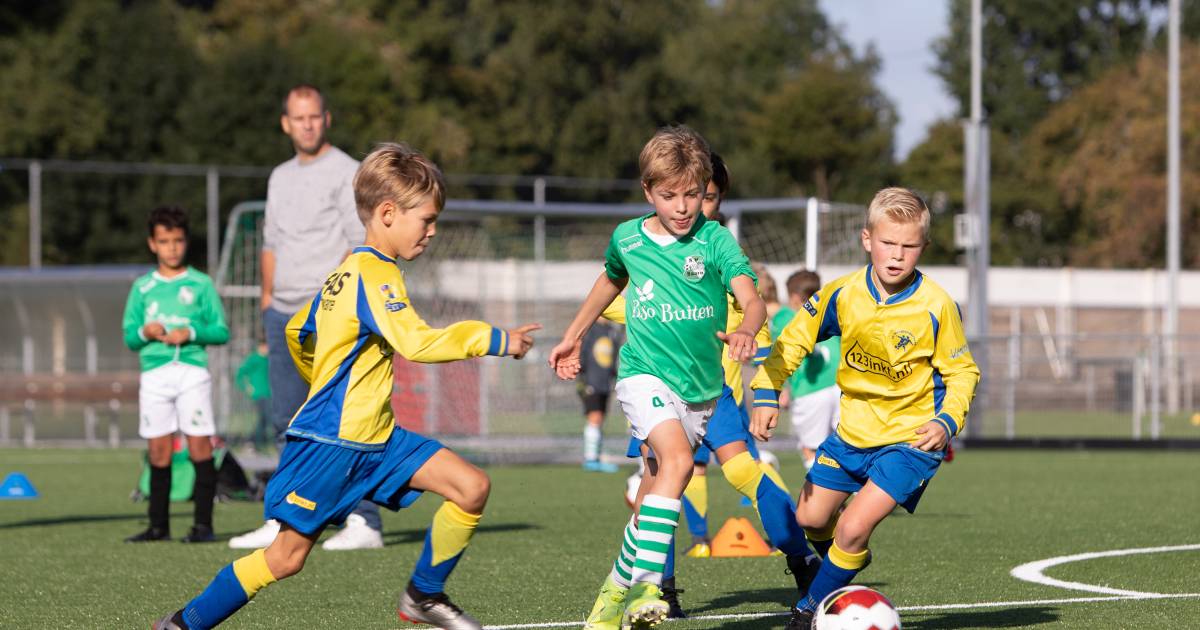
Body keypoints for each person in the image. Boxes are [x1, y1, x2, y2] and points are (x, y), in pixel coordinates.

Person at [152, 143, 539, 630]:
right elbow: (416, 343)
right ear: (387, 213)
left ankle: (424, 595)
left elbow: (299, 328)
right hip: (332, 444)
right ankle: (182, 625)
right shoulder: (374, 275)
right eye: (427, 219)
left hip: (377, 438)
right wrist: (497, 339)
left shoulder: (346, 272)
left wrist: (325, 378)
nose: (433, 231)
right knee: (285, 558)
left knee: (471, 487)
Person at [549, 126, 772, 630]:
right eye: (669, 195)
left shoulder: (715, 240)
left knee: (653, 497)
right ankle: (649, 586)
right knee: (677, 461)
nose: (682, 206)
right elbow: (610, 278)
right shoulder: (627, 237)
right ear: (648, 192)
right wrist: (572, 335)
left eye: (693, 193)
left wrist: (746, 328)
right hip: (644, 378)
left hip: (701, 392)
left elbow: (752, 296)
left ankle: (611, 594)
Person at [749, 187, 980, 629]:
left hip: (910, 440)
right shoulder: (842, 295)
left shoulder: (936, 306)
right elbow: (793, 341)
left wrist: (946, 421)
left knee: (853, 527)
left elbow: (963, 372)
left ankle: (807, 611)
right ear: (866, 239)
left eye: (909, 246)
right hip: (851, 434)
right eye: (888, 243)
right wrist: (766, 391)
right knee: (811, 519)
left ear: (923, 248)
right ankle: (840, 570)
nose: (897, 255)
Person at [611, 154, 814, 619]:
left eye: (705, 195)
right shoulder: (650, 246)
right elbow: (616, 295)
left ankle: (802, 560)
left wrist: (765, 391)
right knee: (658, 482)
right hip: (660, 384)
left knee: (746, 472)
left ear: (717, 198)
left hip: (716, 390)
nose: (694, 204)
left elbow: (758, 326)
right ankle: (659, 588)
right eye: (684, 194)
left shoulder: (724, 254)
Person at [229, 84, 385, 551]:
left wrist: (331, 301)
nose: (307, 124)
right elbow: (271, 242)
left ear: (326, 119)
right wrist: (267, 300)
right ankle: (285, 519)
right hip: (282, 313)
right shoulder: (279, 176)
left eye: (314, 116)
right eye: (299, 118)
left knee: (342, 419)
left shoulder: (345, 171)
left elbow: (357, 240)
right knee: (287, 420)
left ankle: (365, 520)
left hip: (327, 313)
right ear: (286, 123)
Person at [122, 205, 229, 544]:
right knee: (158, 450)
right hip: (154, 375)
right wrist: (145, 332)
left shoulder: (200, 284)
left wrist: (191, 332)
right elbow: (129, 336)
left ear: (185, 242)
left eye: (178, 240)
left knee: (199, 446)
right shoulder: (142, 287)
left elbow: (221, 331)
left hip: (191, 372)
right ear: (152, 244)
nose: (172, 247)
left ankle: (203, 526)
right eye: (164, 241)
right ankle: (158, 526)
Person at [773, 270, 841, 470]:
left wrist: (784, 386)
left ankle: (828, 498)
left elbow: (799, 351)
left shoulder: (793, 319)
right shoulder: (831, 314)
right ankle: (853, 495)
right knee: (840, 448)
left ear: (794, 297)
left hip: (810, 391)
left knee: (810, 450)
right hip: (839, 387)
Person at [579, 317, 624, 472]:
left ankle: (595, 456)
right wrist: (583, 378)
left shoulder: (612, 330)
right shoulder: (590, 329)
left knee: (600, 418)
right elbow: (582, 354)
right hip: (591, 381)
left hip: (605, 381)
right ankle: (590, 458)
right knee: (595, 417)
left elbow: (612, 358)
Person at [234, 341, 272, 451]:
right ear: (261, 346)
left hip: (268, 393)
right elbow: (240, 374)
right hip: (258, 394)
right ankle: (252, 442)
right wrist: (247, 388)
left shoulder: (268, 359)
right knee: (264, 417)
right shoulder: (253, 359)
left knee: (265, 419)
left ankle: (255, 442)